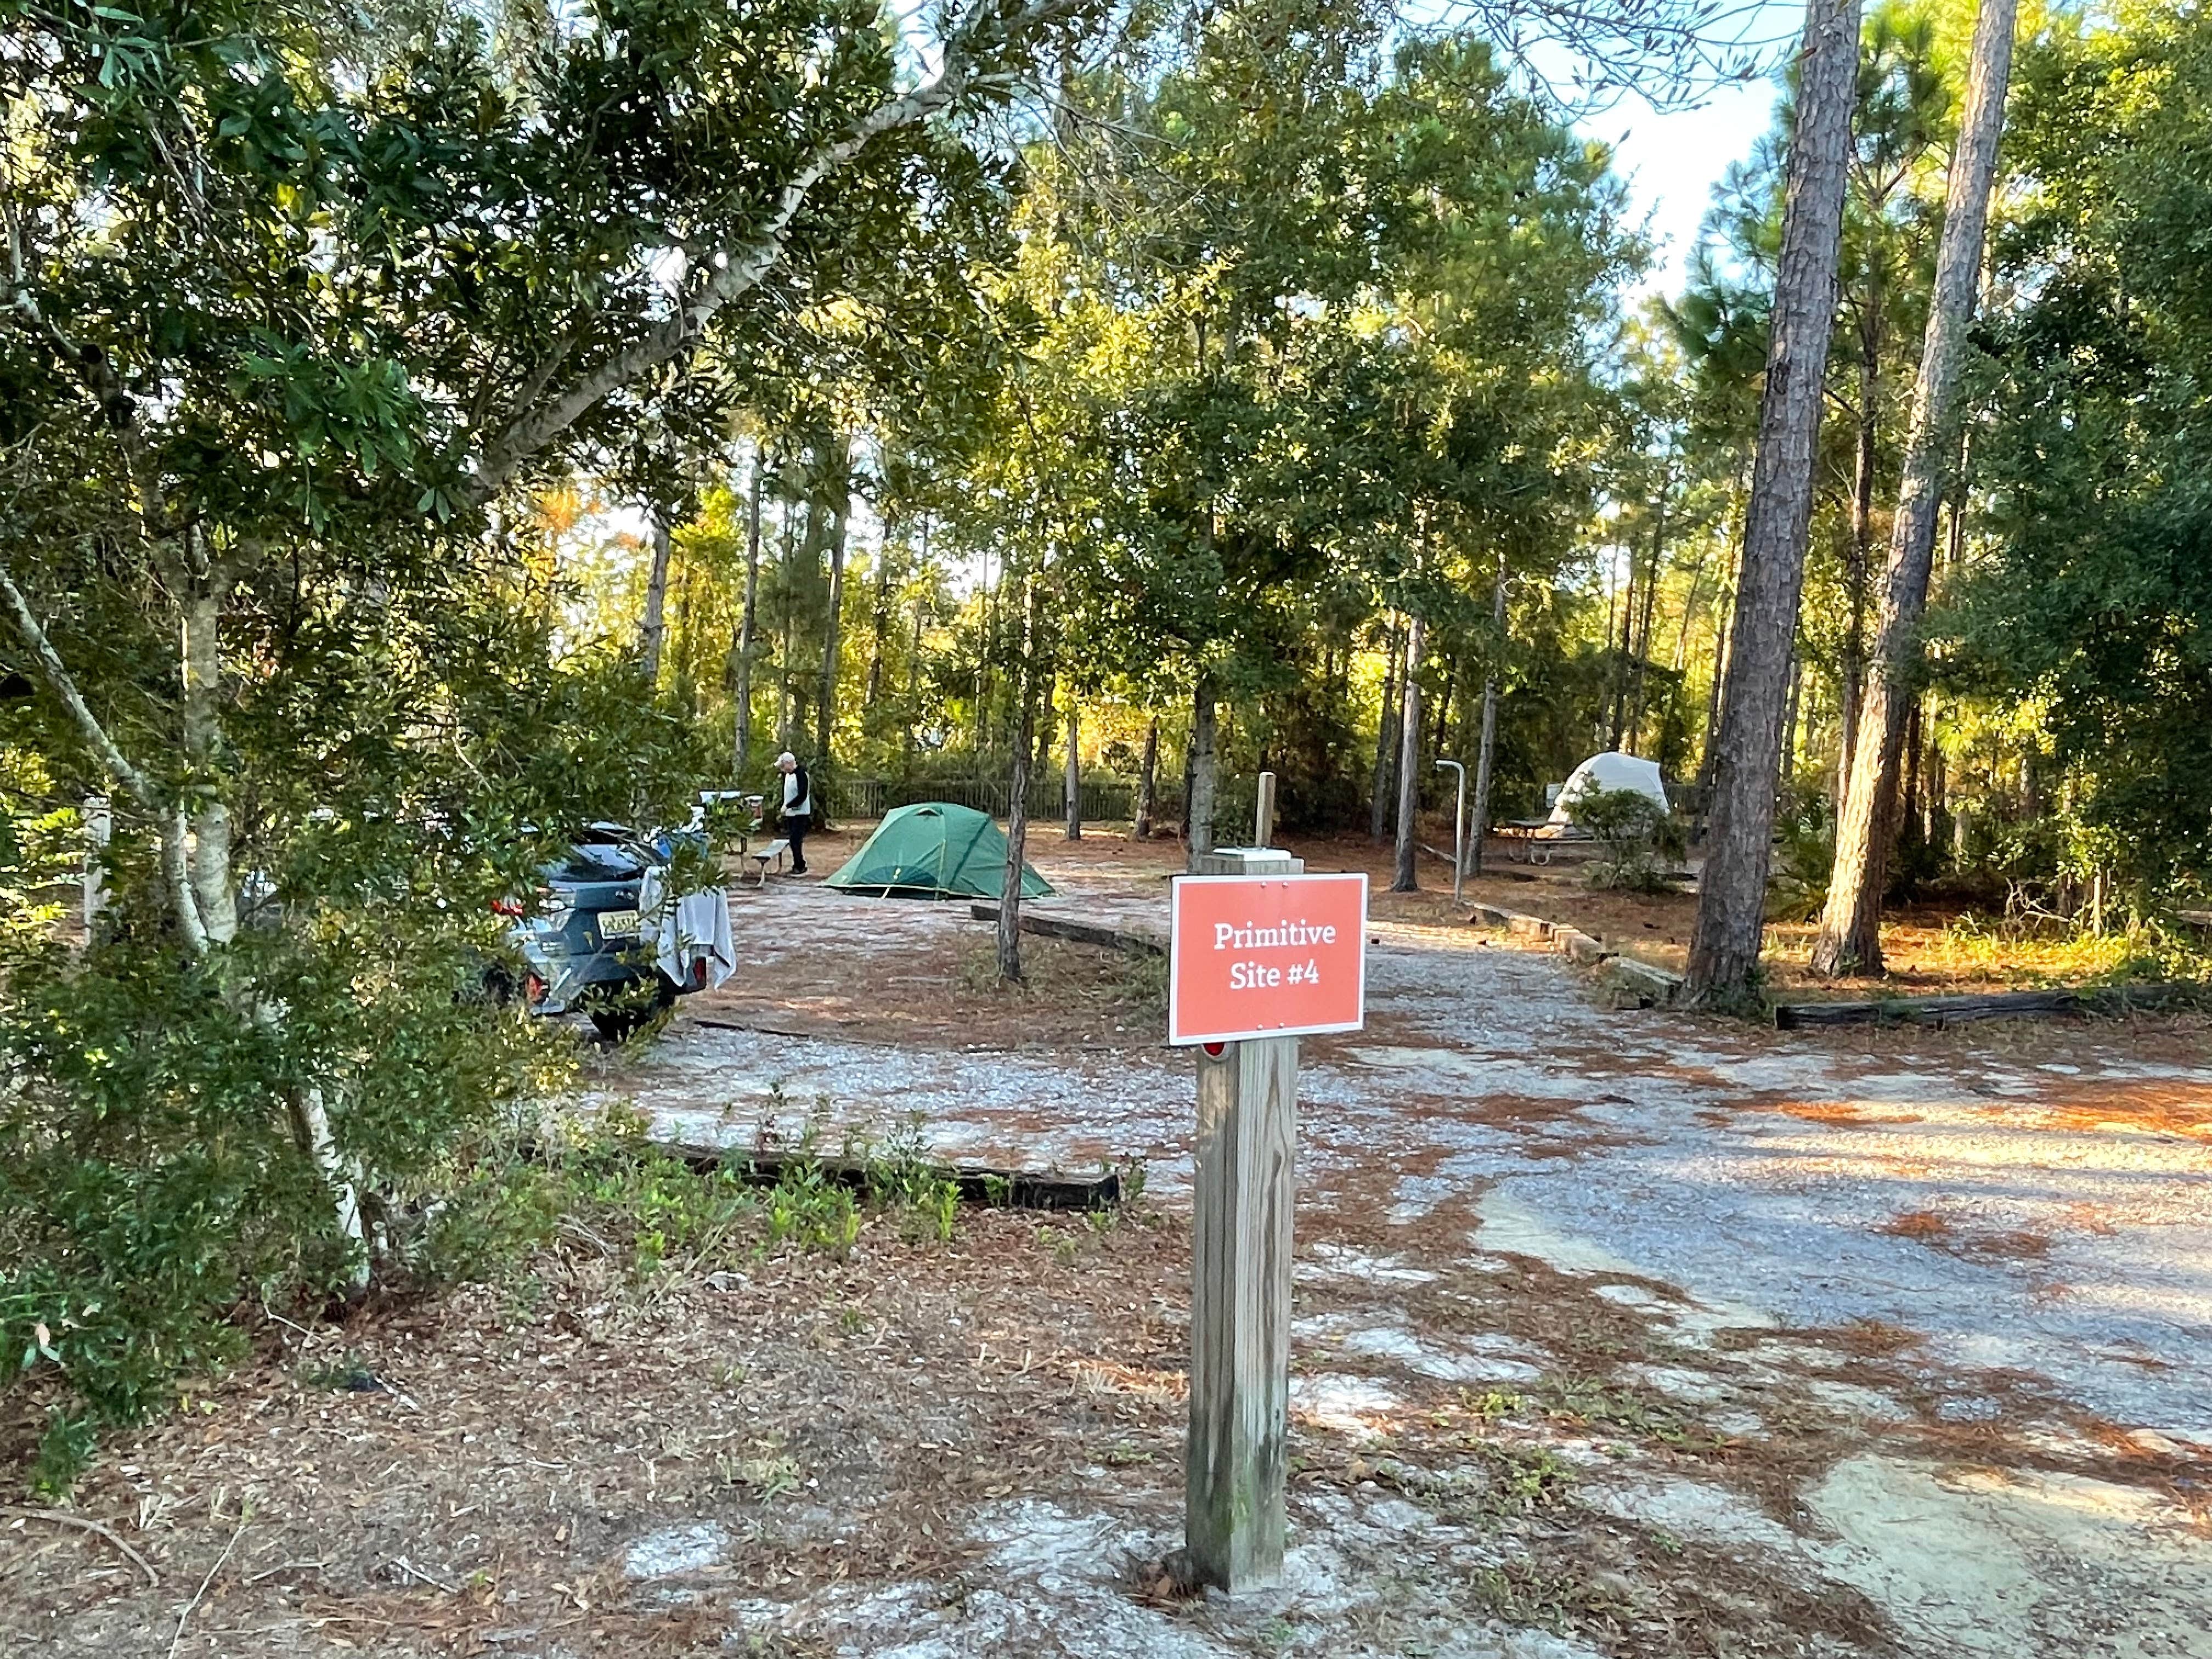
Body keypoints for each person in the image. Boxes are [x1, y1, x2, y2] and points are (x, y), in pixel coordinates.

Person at [774, 751, 812, 875]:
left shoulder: (801, 775)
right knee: (793, 841)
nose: (782, 769)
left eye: (783, 766)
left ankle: (800, 865)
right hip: (791, 813)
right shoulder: (788, 776)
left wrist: (788, 805)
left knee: (796, 840)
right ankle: (797, 864)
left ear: (789, 763)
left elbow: (802, 795)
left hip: (801, 813)